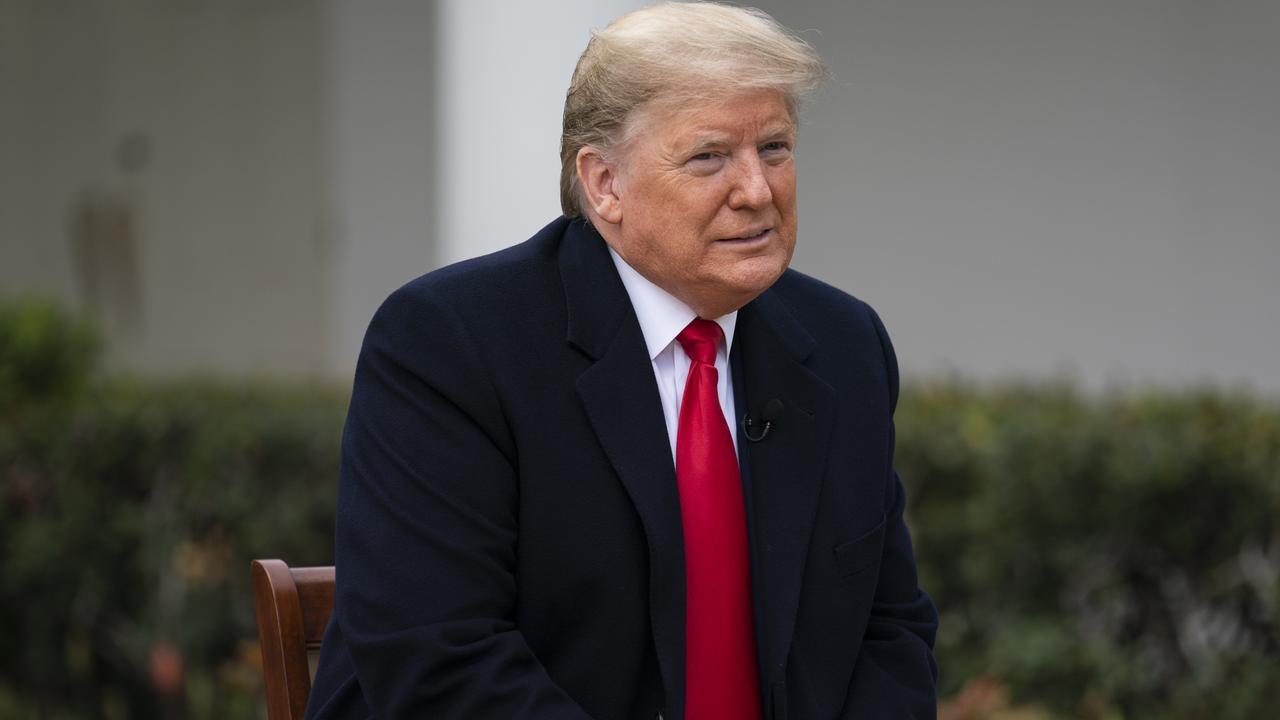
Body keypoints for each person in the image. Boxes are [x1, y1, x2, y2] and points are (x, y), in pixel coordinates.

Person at [304, 4, 937, 719]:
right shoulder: (450, 344)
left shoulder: (842, 344)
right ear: (605, 184)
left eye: (775, 149)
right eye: (709, 156)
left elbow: (889, 635)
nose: (757, 191)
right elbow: (440, 659)